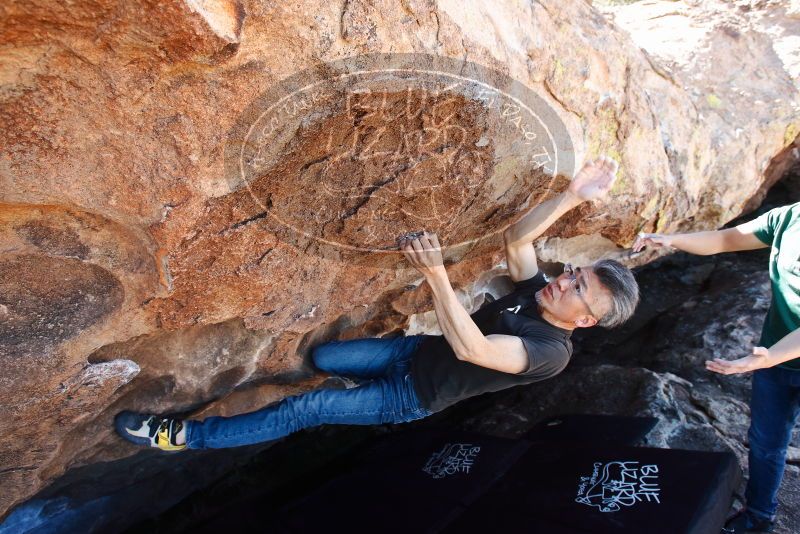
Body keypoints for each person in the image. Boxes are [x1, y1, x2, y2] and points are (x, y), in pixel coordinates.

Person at [115, 157, 639, 453]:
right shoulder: (541, 293)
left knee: (307, 408)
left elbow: (475, 348)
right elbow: (517, 246)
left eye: (577, 290)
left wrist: (435, 275)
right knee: (323, 360)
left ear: (586, 320)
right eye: (574, 274)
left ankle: (184, 436)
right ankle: (313, 393)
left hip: (412, 395)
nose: (564, 282)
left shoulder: (551, 352)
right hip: (410, 354)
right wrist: (571, 195)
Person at [633, 202, 800, 534]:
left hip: (772, 356)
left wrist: (766, 358)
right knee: (766, 442)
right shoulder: (790, 217)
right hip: (772, 357)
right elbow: (726, 240)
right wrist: (671, 240)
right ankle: (758, 517)